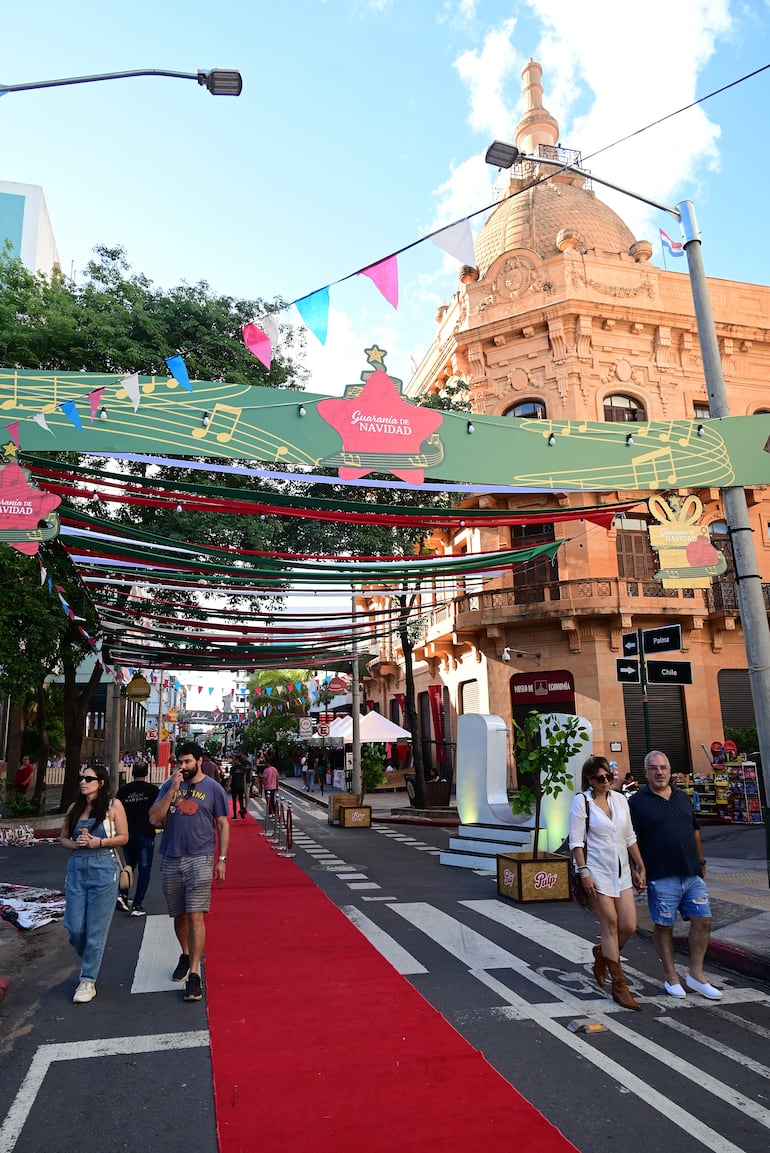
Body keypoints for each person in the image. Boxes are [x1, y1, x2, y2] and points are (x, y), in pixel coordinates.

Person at [629, 750, 722, 1000]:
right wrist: (635, 869)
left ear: (670, 771)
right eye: (654, 768)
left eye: (663, 767)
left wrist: (701, 860)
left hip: (691, 873)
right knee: (664, 925)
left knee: (703, 920)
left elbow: (694, 830)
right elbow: (629, 840)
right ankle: (671, 977)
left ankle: (696, 975)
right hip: (661, 874)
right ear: (646, 772)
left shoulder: (682, 797)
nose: (659, 772)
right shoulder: (637, 802)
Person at [148, 741, 229, 1003]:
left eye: (187, 762)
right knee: (179, 915)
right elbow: (153, 818)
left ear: (198, 760)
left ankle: (194, 972)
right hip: (171, 856)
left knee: (196, 915)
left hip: (201, 858)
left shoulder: (213, 788)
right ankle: (185, 953)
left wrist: (222, 859)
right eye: (179, 762)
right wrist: (171, 789)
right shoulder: (169, 786)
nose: (182, 767)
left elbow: (222, 824)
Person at [569, 754, 647, 1011]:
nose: (607, 782)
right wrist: (584, 872)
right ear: (590, 780)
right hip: (597, 871)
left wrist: (639, 866)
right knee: (610, 923)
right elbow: (576, 842)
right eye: (601, 778)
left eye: (609, 777)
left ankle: (602, 953)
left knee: (629, 925)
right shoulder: (582, 802)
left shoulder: (621, 800)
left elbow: (629, 836)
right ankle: (619, 986)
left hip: (621, 871)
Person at [59, 765, 128, 1003]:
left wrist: (99, 842)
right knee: (74, 926)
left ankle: (88, 980)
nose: (83, 782)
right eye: (81, 778)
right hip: (77, 867)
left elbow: (124, 837)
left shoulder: (113, 806)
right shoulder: (74, 808)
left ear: (101, 782)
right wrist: (76, 844)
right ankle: (91, 957)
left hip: (103, 868)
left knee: (96, 929)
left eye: (89, 778)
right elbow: (63, 839)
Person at [116, 761, 160, 916]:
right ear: (147, 773)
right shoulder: (153, 790)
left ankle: (123, 894)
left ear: (132, 772)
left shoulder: (124, 790)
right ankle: (137, 904)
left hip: (128, 833)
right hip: (146, 832)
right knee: (144, 869)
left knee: (128, 866)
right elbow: (159, 810)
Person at [229, 754, 250, 820]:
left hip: (234, 786)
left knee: (234, 800)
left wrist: (228, 786)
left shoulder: (232, 768)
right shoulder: (243, 768)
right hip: (241, 786)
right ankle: (241, 811)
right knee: (241, 799)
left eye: (234, 759)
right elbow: (244, 779)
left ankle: (235, 815)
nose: (233, 760)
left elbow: (230, 778)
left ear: (237, 760)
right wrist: (244, 787)